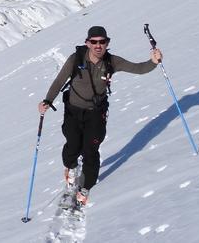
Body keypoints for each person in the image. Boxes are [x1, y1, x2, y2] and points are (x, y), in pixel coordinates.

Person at [37, 25, 162, 206]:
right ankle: (70, 167)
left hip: (96, 113)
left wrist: (153, 62)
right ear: (87, 43)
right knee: (72, 145)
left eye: (102, 42)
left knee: (91, 151)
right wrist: (47, 101)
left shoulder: (112, 62)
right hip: (73, 110)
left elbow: (138, 68)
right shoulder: (76, 59)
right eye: (94, 42)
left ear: (107, 43)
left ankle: (85, 186)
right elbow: (59, 81)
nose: (98, 45)